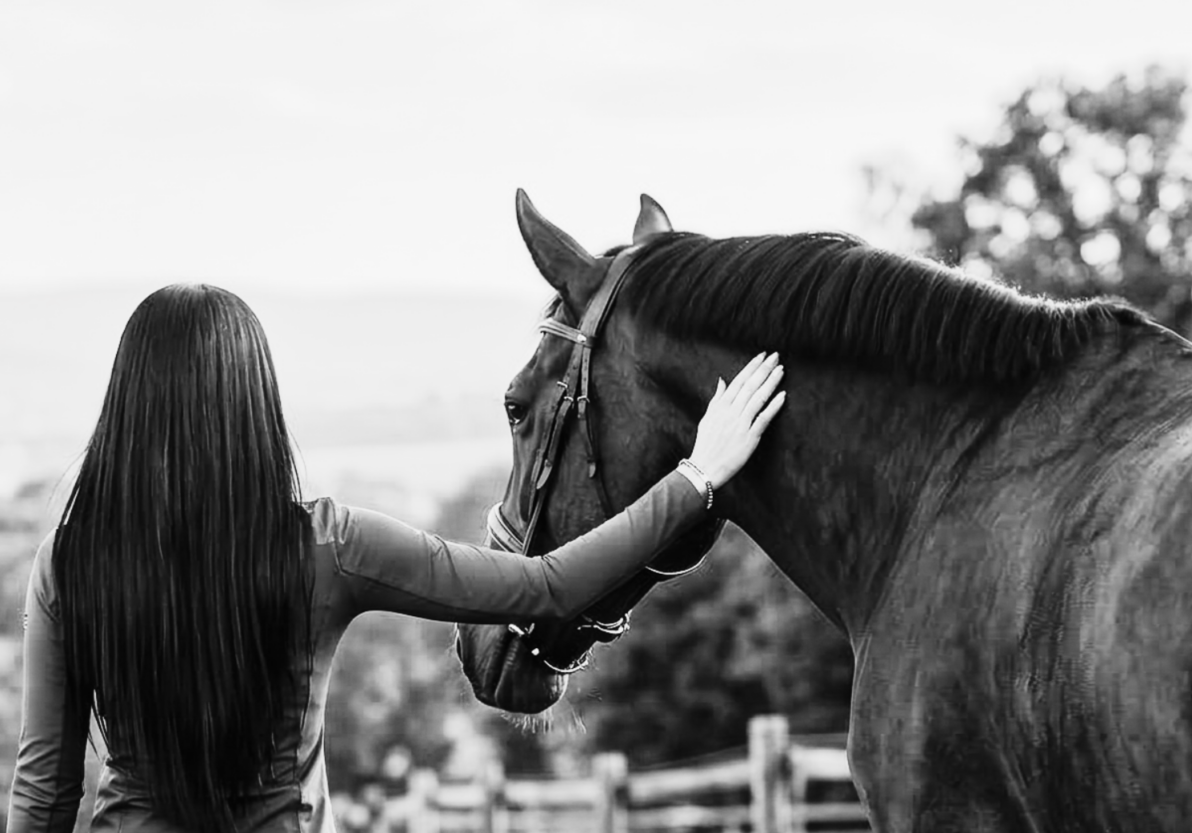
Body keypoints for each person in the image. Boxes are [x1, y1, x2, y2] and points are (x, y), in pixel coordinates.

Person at [6, 283, 787, 833]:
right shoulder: (326, 545)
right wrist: (694, 477)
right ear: (253, 401)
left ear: (127, 404)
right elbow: (546, 587)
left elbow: (43, 794)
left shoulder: (68, 565)